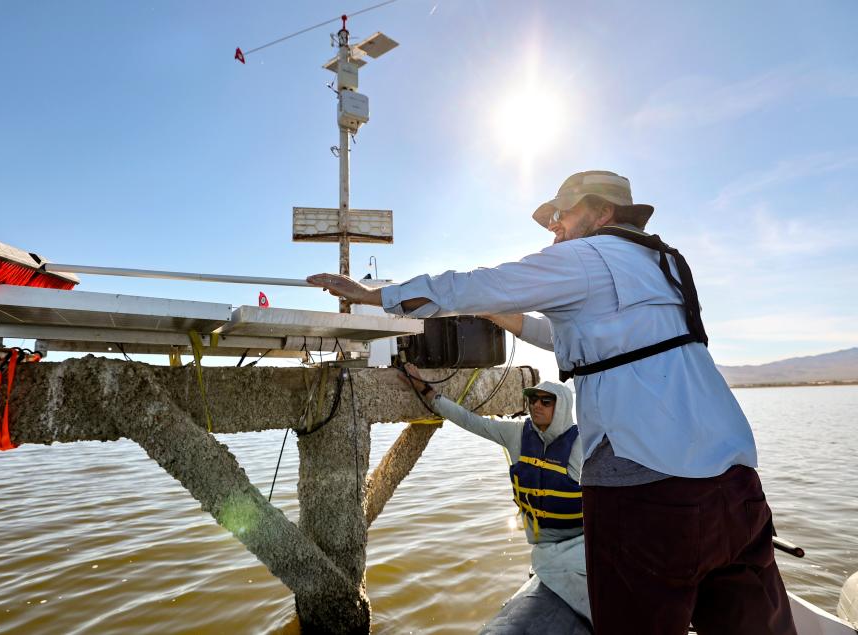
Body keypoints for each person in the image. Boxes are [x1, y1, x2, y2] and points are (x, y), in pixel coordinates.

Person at [308, 171, 796, 635]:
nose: (555, 227)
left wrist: (377, 295)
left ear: (602, 212)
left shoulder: (588, 257)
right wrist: (509, 319)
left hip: (651, 496)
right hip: (735, 490)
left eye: (561, 213)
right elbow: (589, 338)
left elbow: (479, 280)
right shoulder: (664, 265)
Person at [401, 363, 591, 622]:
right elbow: (469, 421)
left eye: (546, 402)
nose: (536, 405)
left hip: (580, 545)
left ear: (563, 408)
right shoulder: (516, 435)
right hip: (543, 548)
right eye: (533, 399)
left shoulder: (583, 446)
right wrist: (426, 390)